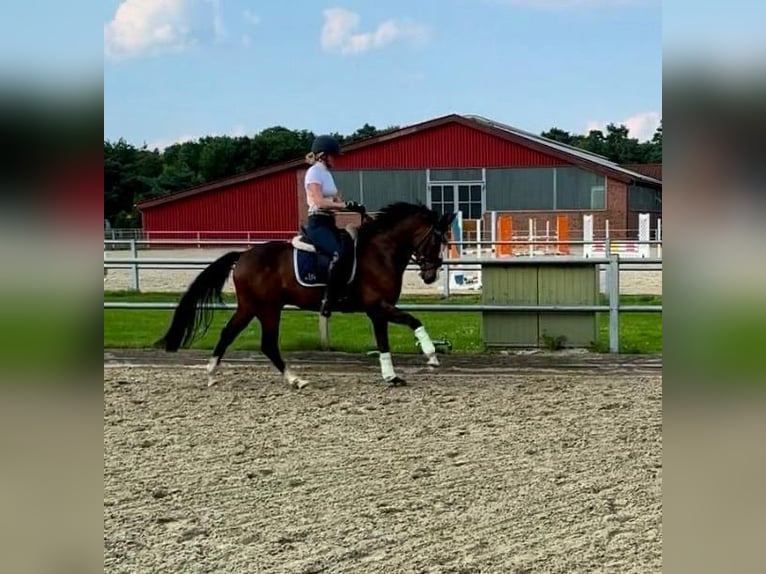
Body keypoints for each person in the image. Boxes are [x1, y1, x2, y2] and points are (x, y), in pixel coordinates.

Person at [303, 134, 364, 317]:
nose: (335, 159)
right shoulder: (314, 172)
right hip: (317, 222)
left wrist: (354, 206)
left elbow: (336, 201)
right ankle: (328, 299)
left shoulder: (327, 174)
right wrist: (343, 205)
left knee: (350, 248)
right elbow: (320, 202)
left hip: (329, 221)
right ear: (323, 155)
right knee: (337, 254)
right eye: (333, 156)